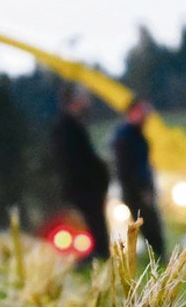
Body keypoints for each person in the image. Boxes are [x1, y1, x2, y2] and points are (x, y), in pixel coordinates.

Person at [49, 89, 111, 263]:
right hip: (84, 190)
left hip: (87, 189)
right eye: (84, 99)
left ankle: (98, 259)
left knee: (96, 230)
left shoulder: (71, 126)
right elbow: (74, 162)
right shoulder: (65, 129)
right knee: (92, 231)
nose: (88, 103)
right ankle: (94, 261)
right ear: (74, 101)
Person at [109, 99, 166, 259]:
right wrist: (142, 190)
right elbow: (128, 169)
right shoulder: (126, 137)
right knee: (149, 226)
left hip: (141, 189)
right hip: (136, 191)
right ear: (132, 112)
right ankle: (157, 259)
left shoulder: (136, 135)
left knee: (152, 226)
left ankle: (159, 258)